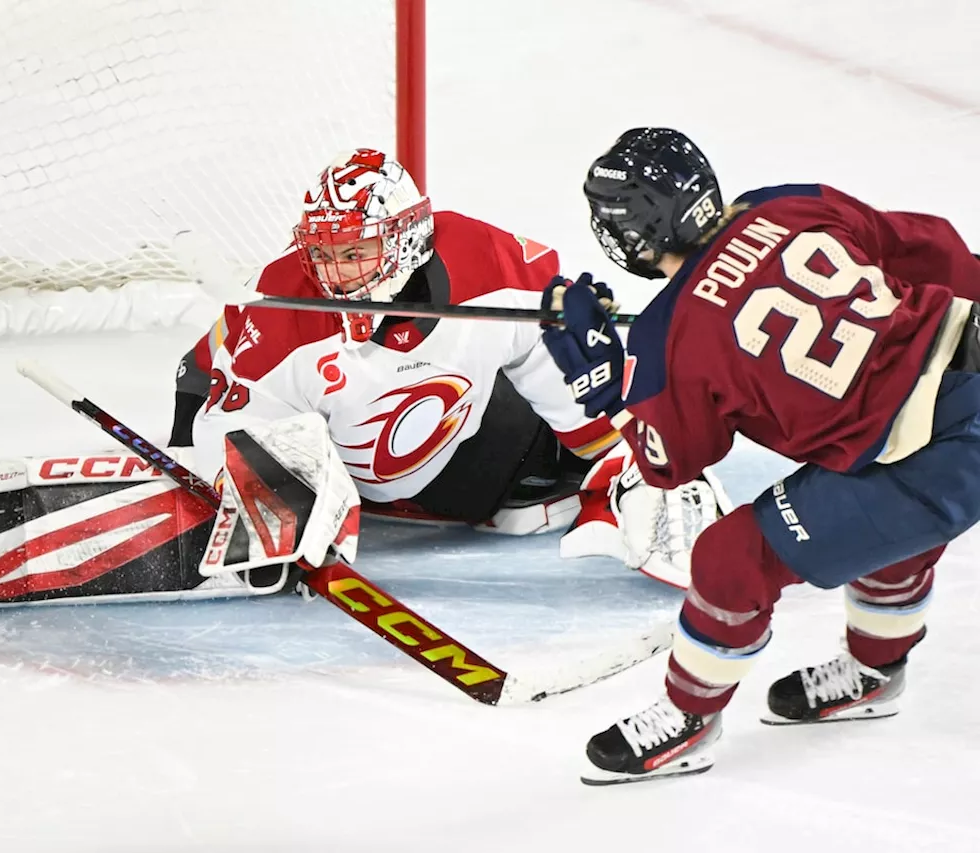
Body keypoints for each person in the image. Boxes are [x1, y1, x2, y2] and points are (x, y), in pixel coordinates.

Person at [543, 127, 980, 785]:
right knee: (877, 517)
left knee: (732, 558)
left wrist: (607, 387)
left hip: (935, 455)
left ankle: (688, 719)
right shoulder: (785, 203)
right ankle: (874, 671)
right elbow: (933, 249)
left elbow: (671, 461)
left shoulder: (669, 336)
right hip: (965, 365)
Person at [173, 147, 728, 582]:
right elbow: (227, 422)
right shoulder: (278, 309)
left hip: (468, 454)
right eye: (322, 253)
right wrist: (268, 498)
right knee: (216, 386)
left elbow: (565, 364)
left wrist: (631, 466)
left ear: (406, 242)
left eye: (352, 253)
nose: (330, 274)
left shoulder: (488, 262)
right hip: (327, 448)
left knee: (579, 379)